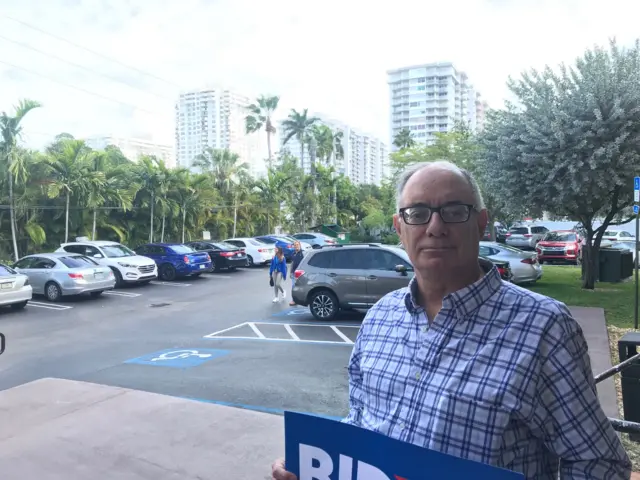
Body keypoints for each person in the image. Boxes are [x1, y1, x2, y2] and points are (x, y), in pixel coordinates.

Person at [272, 160, 631, 480]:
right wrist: (311, 463)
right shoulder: (379, 317)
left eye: (453, 210)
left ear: (481, 223)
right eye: (418, 212)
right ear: (400, 227)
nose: (435, 227)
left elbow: (597, 463)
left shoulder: (544, 327)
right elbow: (362, 425)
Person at [288, 241, 304, 306]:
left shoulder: (303, 253)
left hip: (301, 273)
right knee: (294, 287)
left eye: (297, 245)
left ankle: (303, 299)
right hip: (294, 273)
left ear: (300, 245)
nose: (296, 246)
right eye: (295, 245)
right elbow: (292, 263)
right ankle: (294, 300)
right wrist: (290, 272)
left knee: (303, 287)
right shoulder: (293, 253)